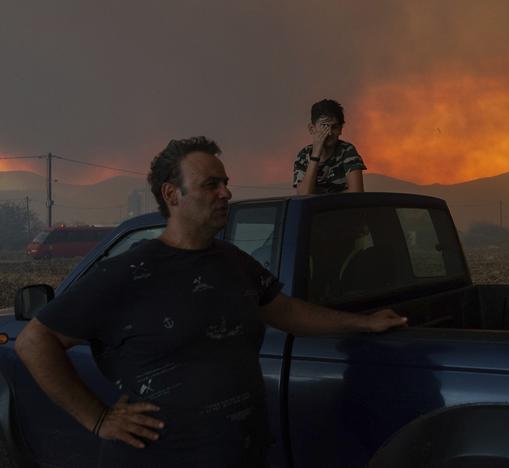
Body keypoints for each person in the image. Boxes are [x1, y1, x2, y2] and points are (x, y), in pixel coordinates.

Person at [15, 136, 406, 467]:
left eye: (225, 182)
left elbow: (284, 311)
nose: (226, 193)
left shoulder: (232, 262)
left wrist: (363, 323)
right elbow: (34, 341)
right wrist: (99, 419)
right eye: (210, 184)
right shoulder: (128, 271)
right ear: (172, 194)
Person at [292, 99, 366, 195]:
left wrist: (319, 197)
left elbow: (357, 193)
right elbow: (304, 194)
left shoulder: (347, 151)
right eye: (324, 126)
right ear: (311, 129)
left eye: (334, 127)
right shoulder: (304, 155)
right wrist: (315, 154)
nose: (329, 132)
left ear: (340, 129)